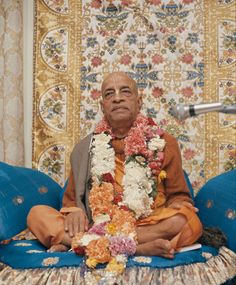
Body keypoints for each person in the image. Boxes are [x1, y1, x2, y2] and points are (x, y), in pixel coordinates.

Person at [27, 71, 202, 258]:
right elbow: (72, 197)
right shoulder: (85, 148)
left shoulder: (164, 142)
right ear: (103, 106)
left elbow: (178, 195)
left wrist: (180, 205)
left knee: (185, 220)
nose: (117, 98)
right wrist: (74, 210)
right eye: (109, 94)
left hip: (146, 223)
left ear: (138, 101)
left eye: (125, 92)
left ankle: (85, 245)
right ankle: (136, 248)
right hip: (98, 223)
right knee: (37, 214)